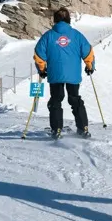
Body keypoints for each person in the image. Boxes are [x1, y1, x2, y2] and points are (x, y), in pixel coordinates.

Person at [33, 7, 95, 138]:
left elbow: (39, 54)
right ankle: (83, 128)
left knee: (56, 100)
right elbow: (88, 52)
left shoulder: (48, 36)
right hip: (73, 75)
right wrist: (90, 66)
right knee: (75, 99)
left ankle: (57, 130)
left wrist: (42, 70)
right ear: (68, 20)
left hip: (55, 75)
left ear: (55, 20)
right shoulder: (77, 35)